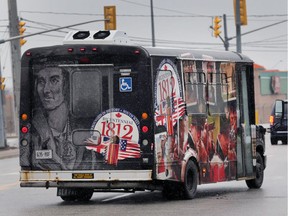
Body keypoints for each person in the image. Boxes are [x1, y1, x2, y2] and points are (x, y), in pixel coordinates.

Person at [31, 67, 97, 170]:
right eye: (41, 82)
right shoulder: (32, 131)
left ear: (66, 86)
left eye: (54, 81)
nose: (46, 90)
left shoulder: (83, 127)